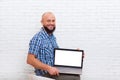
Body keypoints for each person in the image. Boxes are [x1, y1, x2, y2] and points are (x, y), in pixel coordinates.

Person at [27, 12, 80, 80]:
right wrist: (48, 68)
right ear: (42, 22)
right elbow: (30, 60)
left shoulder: (52, 37)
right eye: (48, 21)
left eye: (53, 21)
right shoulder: (38, 38)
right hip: (45, 74)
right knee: (74, 78)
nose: (51, 23)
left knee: (76, 75)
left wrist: (76, 55)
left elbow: (59, 56)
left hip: (55, 71)